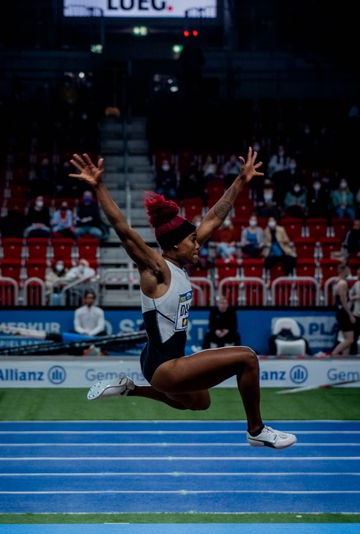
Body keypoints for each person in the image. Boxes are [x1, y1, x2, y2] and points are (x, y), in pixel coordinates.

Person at [69, 149, 297, 449]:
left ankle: (130, 388)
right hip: (165, 366)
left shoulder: (179, 260)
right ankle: (256, 430)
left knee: (200, 402)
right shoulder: (157, 269)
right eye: (192, 241)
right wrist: (99, 186)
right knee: (247, 358)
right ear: (175, 244)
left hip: (159, 363)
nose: (197, 244)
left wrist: (241, 181)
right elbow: (124, 230)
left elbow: (215, 217)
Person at [331, 264, 356, 356]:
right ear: (344, 271)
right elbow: (343, 300)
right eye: (348, 270)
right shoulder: (342, 283)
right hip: (344, 312)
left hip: (340, 312)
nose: (350, 272)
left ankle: (345, 358)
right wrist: (350, 314)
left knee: (346, 339)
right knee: (350, 339)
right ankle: (333, 354)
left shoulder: (336, 282)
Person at [349, 266, 360, 354]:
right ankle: (353, 355)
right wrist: (354, 297)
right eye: (358, 274)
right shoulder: (356, 284)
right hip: (357, 314)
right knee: (354, 337)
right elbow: (350, 295)